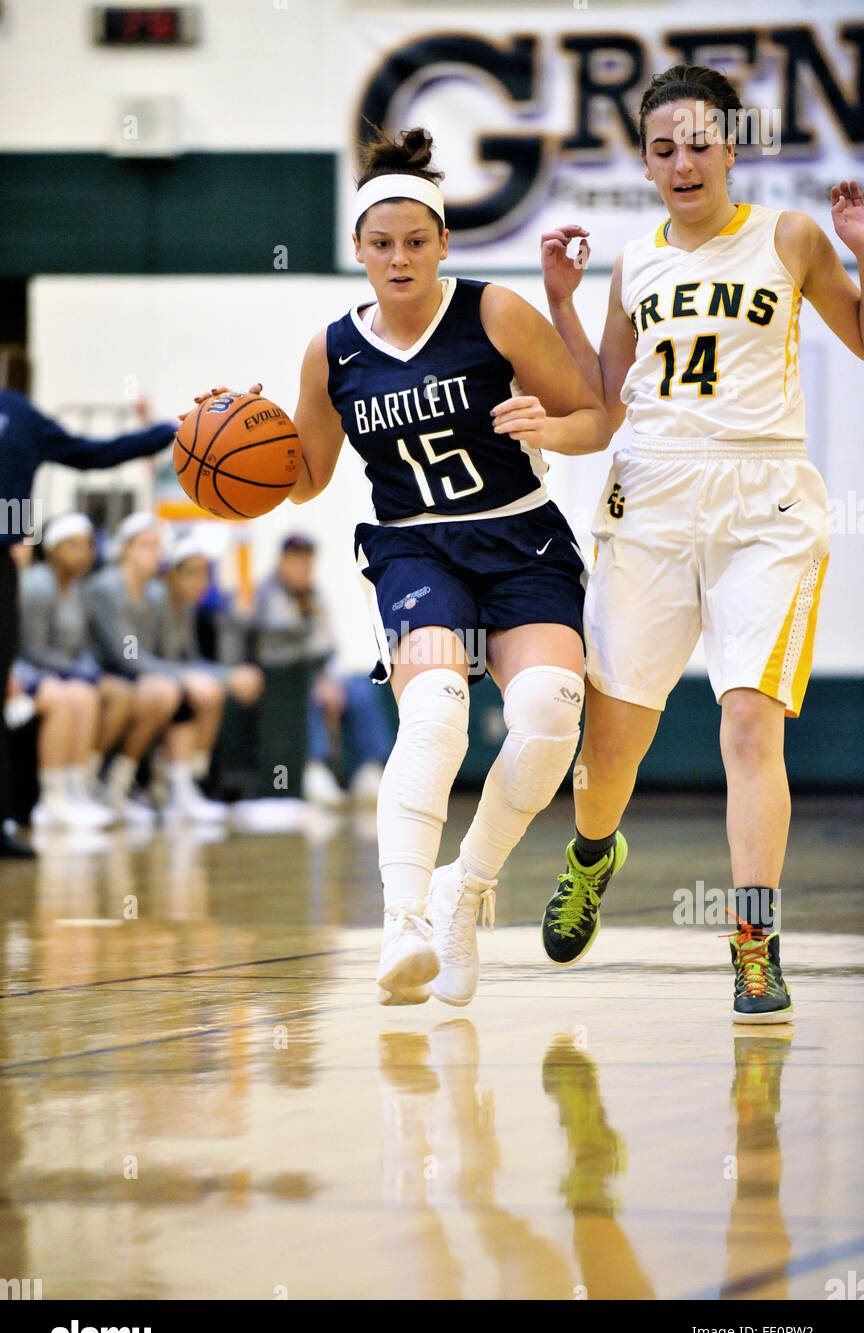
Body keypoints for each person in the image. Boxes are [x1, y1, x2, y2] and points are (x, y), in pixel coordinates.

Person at [192, 126, 610, 1006]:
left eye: (416, 241)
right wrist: (226, 437)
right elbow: (303, 481)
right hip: (415, 544)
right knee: (436, 713)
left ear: (443, 243)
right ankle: (404, 920)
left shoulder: (493, 312)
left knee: (544, 716)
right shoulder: (332, 350)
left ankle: (467, 890)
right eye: (381, 245)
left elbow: (594, 417)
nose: (399, 258)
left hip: (517, 534)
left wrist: (549, 426)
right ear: (358, 252)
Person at [538, 64, 864, 1022]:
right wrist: (560, 299)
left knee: (750, 724)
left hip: (764, 503)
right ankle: (594, 854)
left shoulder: (790, 236)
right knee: (611, 748)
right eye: (664, 146)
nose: (685, 161)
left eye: (700, 142)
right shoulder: (634, 265)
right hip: (652, 498)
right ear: (646, 162)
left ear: (732, 144)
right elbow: (600, 411)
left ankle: (754, 943)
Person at [0, 388, 175, 854]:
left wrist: (163, 434)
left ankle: (36, 806)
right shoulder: (47, 584)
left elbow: (92, 453)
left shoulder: (18, 413)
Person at [84, 513, 233, 824]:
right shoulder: (109, 588)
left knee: (191, 692)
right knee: (165, 691)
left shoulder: (151, 593)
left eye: (157, 546)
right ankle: (110, 784)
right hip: (98, 673)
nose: (154, 553)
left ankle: (176, 785)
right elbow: (129, 656)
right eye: (146, 545)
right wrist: (186, 676)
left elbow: (169, 657)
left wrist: (215, 676)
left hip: (130, 675)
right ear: (125, 548)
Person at [253, 533, 393, 807]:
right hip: (286, 677)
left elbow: (329, 647)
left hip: (319, 672)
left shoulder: (316, 595)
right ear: (283, 561)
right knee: (307, 693)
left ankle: (370, 769)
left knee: (362, 688)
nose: (304, 567)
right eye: (297, 560)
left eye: (308, 560)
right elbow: (281, 636)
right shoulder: (267, 592)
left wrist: (333, 679)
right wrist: (319, 678)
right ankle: (315, 770)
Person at [17, 512, 134, 828]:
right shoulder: (37, 586)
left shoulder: (79, 588)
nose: (84, 554)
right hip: (29, 673)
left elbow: (80, 647)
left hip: (64, 672)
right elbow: (32, 650)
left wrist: (88, 671)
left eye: (88, 546)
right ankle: (52, 797)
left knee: (107, 693)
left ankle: (79, 785)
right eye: (74, 546)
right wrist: (79, 672)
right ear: (53, 549)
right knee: (76, 697)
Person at [150, 532, 264, 804]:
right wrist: (187, 676)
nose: (200, 582)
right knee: (194, 693)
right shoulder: (155, 601)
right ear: (172, 574)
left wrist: (230, 676)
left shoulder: (186, 608)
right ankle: (168, 781)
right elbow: (135, 658)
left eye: (205, 574)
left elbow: (188, 660)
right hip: (140, 681)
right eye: (192, 573)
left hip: (166, 680)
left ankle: (187, 780)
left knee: (211, 691)